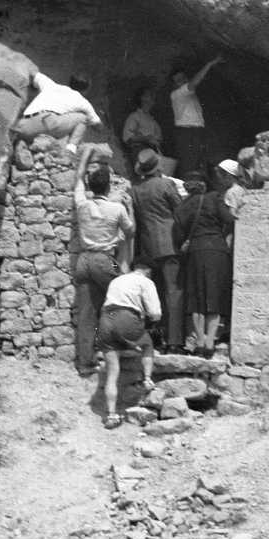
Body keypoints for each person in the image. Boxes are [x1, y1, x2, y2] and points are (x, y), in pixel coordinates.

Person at [72, 144, 134, 377]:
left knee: (87, 313)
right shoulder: (116, 208)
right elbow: (130, 232)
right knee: (123, 300)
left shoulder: (82, 204)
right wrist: (129, 208)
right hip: (105, 260)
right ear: (109, 187)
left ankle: (85, 363)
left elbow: (78, 178)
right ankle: (122, 347)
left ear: (90, 186)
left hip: (84, 260)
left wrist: (86, 154)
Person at [172, 172, 236, 355]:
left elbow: (178, 234)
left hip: (195, 252)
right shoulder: (214, 198)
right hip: (216, 250)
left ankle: (199, 339)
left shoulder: (181, 207)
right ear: (203, 185)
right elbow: (229, 219)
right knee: (213, 295)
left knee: (197, 297)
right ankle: (210, 342)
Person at [131, 148, 186, 351]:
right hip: (170, 244)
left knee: (155, 293)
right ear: (158, 166)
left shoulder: (135, 190)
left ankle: (154, 337)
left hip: (148, 246)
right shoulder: (166, 184)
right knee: (174, 292)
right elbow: (179, 211)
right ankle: (174, 341)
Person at [95, 261, 161, 430]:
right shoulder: (146, 281)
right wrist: (150, 319)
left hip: (105, 319)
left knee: (112, 372)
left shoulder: (117, 280)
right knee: (147, 344)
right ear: (147, 270)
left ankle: (111, 415)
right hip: (126, 317)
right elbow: (155, 312)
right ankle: (147, 380)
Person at [13, 71, 101, 153]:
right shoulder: (82, 101)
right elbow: (97, 125)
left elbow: (32, 74)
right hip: (48, 124)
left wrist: (29, 86)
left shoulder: (50, 84)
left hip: (24, 126)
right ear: (86, 89)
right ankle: (70, 150)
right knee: (83, 118)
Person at [169, 55, 224, 176]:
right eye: (179, 80)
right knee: (189, 164)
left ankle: (199, 190)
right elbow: (193, 83)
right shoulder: (177, 94)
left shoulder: (191, 95)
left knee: (200, 162)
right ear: (174, 85)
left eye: (184, 78)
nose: (183, 82)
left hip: (197, 132)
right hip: (187, 133)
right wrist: (209, 65)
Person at [122, 87, 163, 168]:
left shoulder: (152, 120)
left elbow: (159, 139)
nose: (152, 96)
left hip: (154, 153)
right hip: (141, 152)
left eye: (153, 95)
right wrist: (146, 138)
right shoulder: (134, 116)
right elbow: (127, 137)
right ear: (142, 98)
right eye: (149, 95)